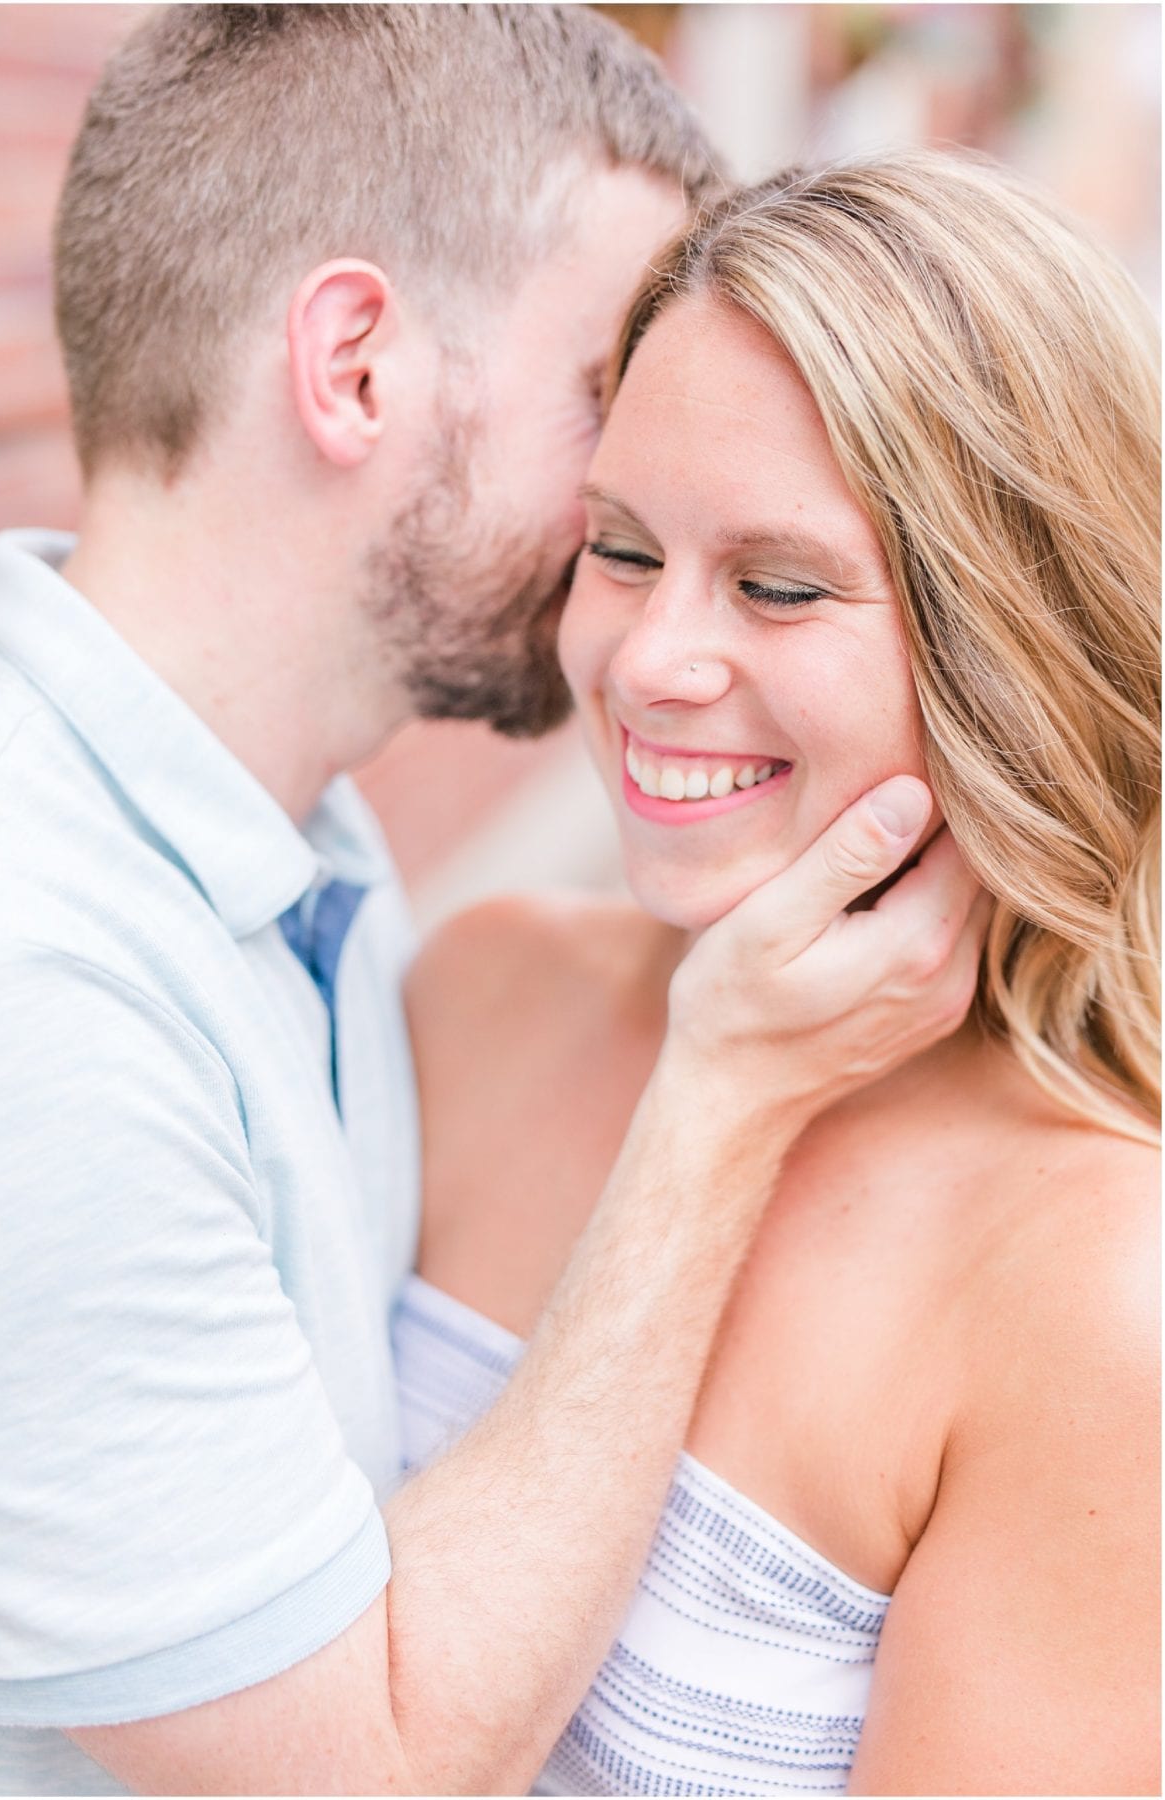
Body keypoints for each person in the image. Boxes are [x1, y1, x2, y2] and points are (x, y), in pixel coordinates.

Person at [0, 10, 985, 1797]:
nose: (637, 477)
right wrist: (724, 1092)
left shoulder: (297, 862)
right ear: (356, 366)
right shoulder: (32, 989)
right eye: (606, 386)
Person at [396, 149, 1162, 1796]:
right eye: (619, 549)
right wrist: (715, 1089)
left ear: (1008, 648)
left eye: (778, 584)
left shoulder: (1101, 1299)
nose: (650, 661)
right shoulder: (476, 993)